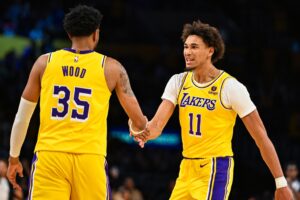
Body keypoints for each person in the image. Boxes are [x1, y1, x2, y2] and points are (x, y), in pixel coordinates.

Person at [131, 20, 293, 199]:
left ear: (210, 51)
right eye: (186, 47)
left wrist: (281, 183)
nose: (187, 52)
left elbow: (261, 137)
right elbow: (157, 126)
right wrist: (143, 132)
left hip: (215, 168)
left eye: (194, 47)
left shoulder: (230, 87)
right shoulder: (178, 82)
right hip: (186, 168)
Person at [7, 5, 147, 200]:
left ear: (68, 33)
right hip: (90, 158)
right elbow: (139, 122)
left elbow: (22, 117)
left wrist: (14, 158)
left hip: (50, 157)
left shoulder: (44, 63)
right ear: (96, 34)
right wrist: (136, 127)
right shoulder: (112, 68)